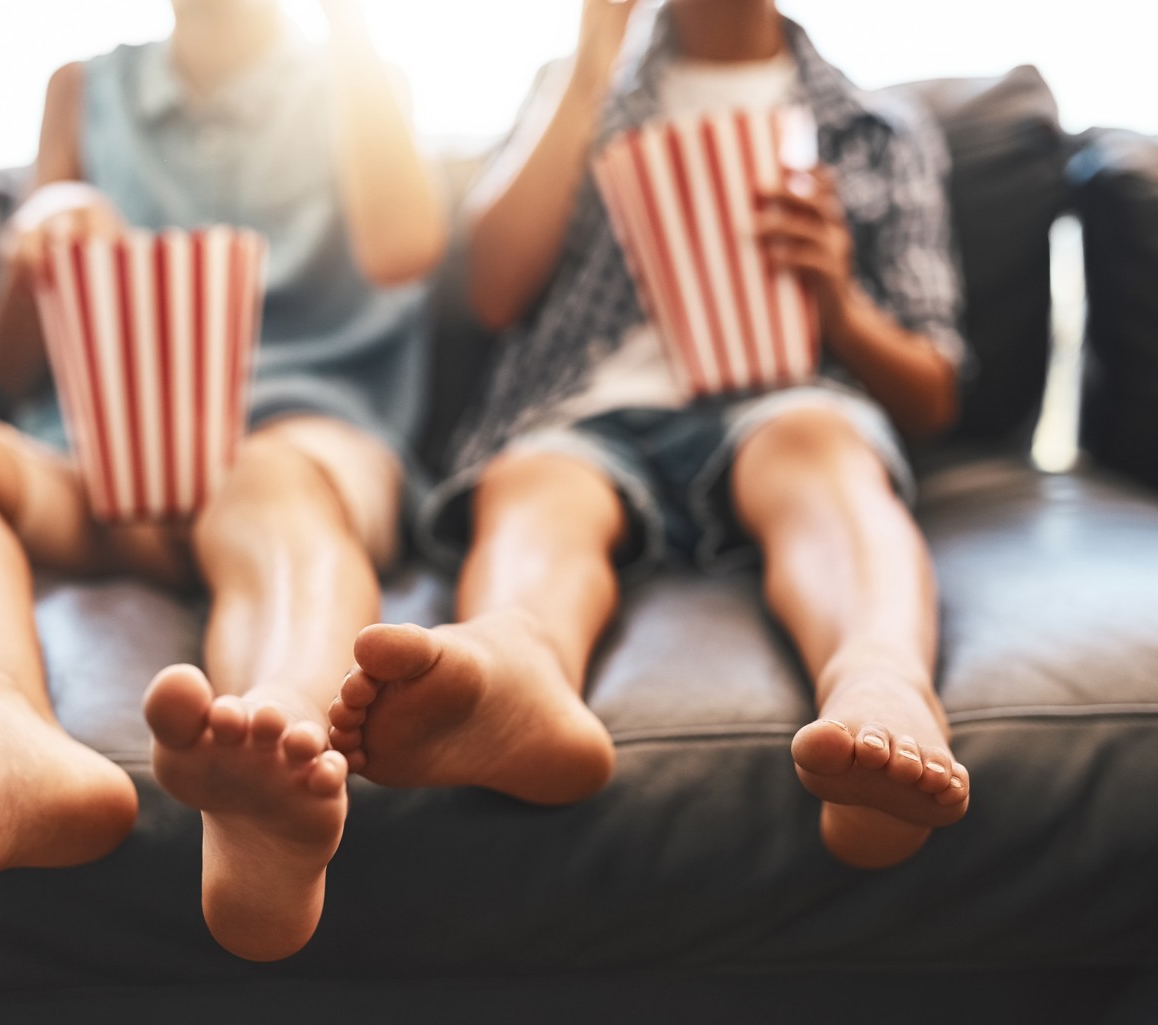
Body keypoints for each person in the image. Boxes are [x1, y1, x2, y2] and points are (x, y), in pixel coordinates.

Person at [0, 0, 447, 962]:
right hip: (99, 458)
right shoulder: (84, 90)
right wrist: (37, 243)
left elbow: (405, 249)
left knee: (271, 481)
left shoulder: (356, 72)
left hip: (293, 440)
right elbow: (10, 367)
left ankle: (287, 727)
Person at [327, 0, 972, 869]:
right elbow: (492, 293)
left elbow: (933, 392)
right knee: (538, 487)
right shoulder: (578, 90)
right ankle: (521, 670)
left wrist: (840, 303)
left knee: (822, 459)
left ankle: (882, 684)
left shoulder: (877, 131)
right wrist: (591, 61)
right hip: (585, 406)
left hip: (787, 398)